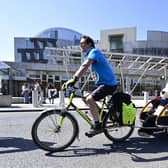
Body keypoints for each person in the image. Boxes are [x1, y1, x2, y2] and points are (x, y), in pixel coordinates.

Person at [63, 35, 118, 136]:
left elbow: (84, 66)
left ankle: (97, 126)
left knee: (89, 99)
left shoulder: (94, 52)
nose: (80, 46)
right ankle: (103, 116)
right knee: (85, 98)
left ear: (89, 44)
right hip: (102, 83)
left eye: (82, 44)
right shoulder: (90, 54)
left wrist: (74, 79)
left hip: (109, 84)